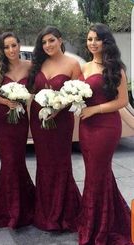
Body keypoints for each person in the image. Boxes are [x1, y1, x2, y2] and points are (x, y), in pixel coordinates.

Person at [77, 23, 132, 245]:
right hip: (86, 127)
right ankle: (107, 218)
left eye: (96, 39)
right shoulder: (85, 67)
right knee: (97, 174)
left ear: (105, 41)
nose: (92, 43)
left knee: (96, 175)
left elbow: (122, 100)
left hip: (106, 126)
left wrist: (95, 109)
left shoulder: (115, 68)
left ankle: (97, 226)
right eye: (89, 39)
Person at [28, 26, 81, 231]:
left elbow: (76, 94)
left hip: (61, 121)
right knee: (44, 162)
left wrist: (57, 109)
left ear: (60, 40)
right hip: (39, 118)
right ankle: (45, 210)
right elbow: (31, 88)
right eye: (44, 42)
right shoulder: (39, 63)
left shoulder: (73, 64)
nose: (48, 45)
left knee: (60, 162)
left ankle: (64, 211)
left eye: (51, 40)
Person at [0, 32, 35, 228]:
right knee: (8, 160)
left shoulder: (29, 66)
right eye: (6, 47)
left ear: (19, 45)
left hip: (20, 120)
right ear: (2, 49)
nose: (11, 50)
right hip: (2, 119)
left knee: (18, 159)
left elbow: (34, 90)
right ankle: (8, 209)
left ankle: (24, 203)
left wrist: (24, 98)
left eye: (14, 45)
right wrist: (6, 101)